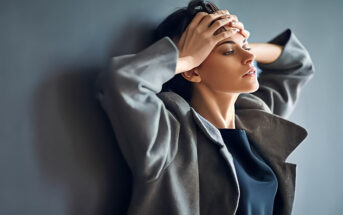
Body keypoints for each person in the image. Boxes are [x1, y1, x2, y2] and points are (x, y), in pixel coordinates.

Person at [94, 0, 315, 214]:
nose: (250, 58)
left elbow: (296, 65)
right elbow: (123, 81)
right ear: (192, 71)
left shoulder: (256, 121)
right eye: (228, 52)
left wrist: (234, 37)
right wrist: (187, 57)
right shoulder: (170, 137)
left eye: (246, 48)